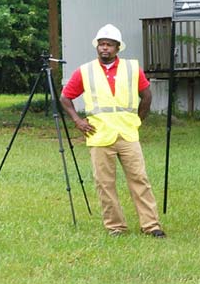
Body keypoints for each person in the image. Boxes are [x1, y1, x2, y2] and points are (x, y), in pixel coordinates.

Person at [58, 24, 166, 238]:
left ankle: (151, 225)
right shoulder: (85, 71)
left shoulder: (132, 68)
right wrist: (78, 121)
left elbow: (147, 96)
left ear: (118, 48)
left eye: (109, 45)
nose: (104, 48)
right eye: (101, 44)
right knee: (104, 183)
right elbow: (65, 97)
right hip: (99, 135)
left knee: (139, 179)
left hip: (127, 134)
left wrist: (137, 120)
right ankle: (115, 226)